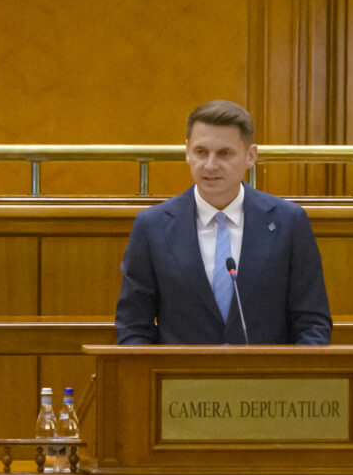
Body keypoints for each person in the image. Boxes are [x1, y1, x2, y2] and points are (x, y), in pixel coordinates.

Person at [115, 100, 332, 344]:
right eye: (201, 152)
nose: (210, 165)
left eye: (224, 153)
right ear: (187, 152)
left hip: (266, 369)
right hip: (181, 370)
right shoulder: (152, 226)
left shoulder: (288, 222)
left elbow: (312, 323)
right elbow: (133, 326)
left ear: (251, 156)